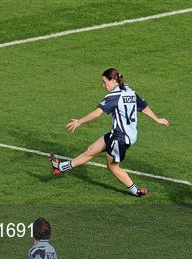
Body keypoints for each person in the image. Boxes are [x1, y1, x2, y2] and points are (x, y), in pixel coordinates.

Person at [50, 67, 169, 197]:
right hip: (122, 134)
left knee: (112, 167)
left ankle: (136, 191)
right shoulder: (130, 91)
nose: (103, 85)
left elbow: (97, 114)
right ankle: (60, 168)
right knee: (91, 150)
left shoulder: (114, 95)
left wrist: (79, 122)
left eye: (104, 81)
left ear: (112, 80)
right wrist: (157, 119)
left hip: (120, 137)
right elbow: (144, 106)